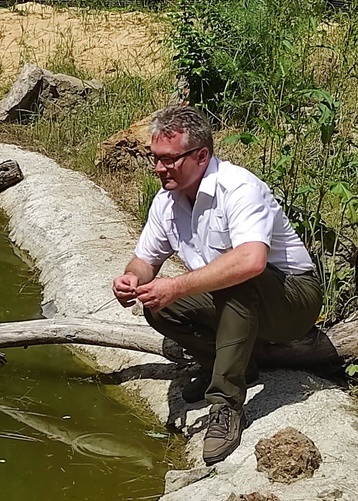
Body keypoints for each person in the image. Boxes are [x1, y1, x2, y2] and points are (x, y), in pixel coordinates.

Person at [112, 105, 323, 465]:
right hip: (242, 299)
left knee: (235, 276)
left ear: (201, 155)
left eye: (168, 160)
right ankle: (230, 364)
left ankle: (226, 405)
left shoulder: (238, 187)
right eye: (155, 158)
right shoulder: (167, 201)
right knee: (157, 304)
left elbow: (251, 261)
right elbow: (145, 259)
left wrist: (177, 286)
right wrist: (132, 279)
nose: (158, 168)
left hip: (293, 299)